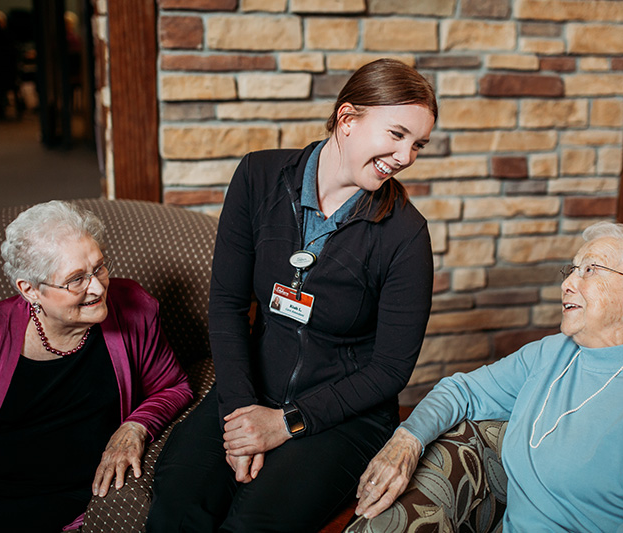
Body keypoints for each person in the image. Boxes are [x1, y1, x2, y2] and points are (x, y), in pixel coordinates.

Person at [147, 58, 437, 532]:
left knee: (254, 525)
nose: (406, 156)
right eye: (397, 134)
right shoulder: (258, 177)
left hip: (344, 415)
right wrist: (242, 415)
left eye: (418, 143)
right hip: (251, 387)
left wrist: (285, 423)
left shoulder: (406, 235)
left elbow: (390, 370)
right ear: (347, 120)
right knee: (177, 501)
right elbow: (226, 304)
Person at [355, 222, 623, 532]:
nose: (568, 283)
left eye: (591, 270)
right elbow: (460, 390)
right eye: (571, 270)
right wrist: (406, 441)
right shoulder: (552, 353)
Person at [0, 201, 193, 533]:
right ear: (29, 290)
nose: (99, 288)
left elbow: (173, 386)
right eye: (76, 280)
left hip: (60, 492)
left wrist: (135, 427)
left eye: (99, 268)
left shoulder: (134, 309)